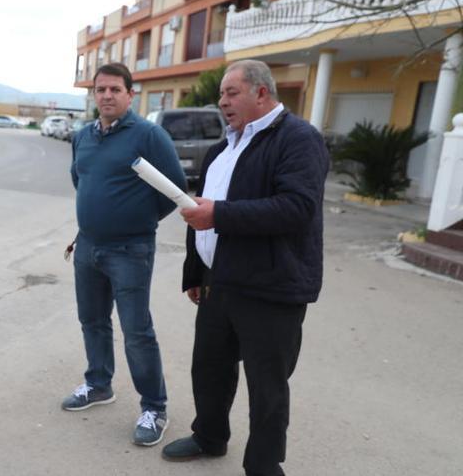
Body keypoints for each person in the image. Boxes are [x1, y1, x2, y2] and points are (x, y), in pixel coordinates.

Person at [162, 60, 329, 475]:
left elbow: (296, 208)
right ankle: (210, 436)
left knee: (267, 385)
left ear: (261, 92)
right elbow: (198, 212)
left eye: (230, 92)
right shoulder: (223, 148)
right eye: (221, 94)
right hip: (221, 283)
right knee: (210, 368)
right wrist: (196, 274)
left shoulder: (298, 139)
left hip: (271, 287)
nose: (222, 102)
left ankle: (264, 465)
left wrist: (218, 216)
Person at [63, 62, 187, 447]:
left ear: (130, 95)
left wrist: (136, 222)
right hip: (88, 245)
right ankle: (98, 385)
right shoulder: (83, 135)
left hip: (130, 250)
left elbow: (175, 191)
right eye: (100, 90)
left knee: (136, 331)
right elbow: (79, 179)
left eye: (115, 89)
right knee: (92, 320)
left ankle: (154, 407)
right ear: (94, 94)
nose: (106, 96)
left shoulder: (149, 135)